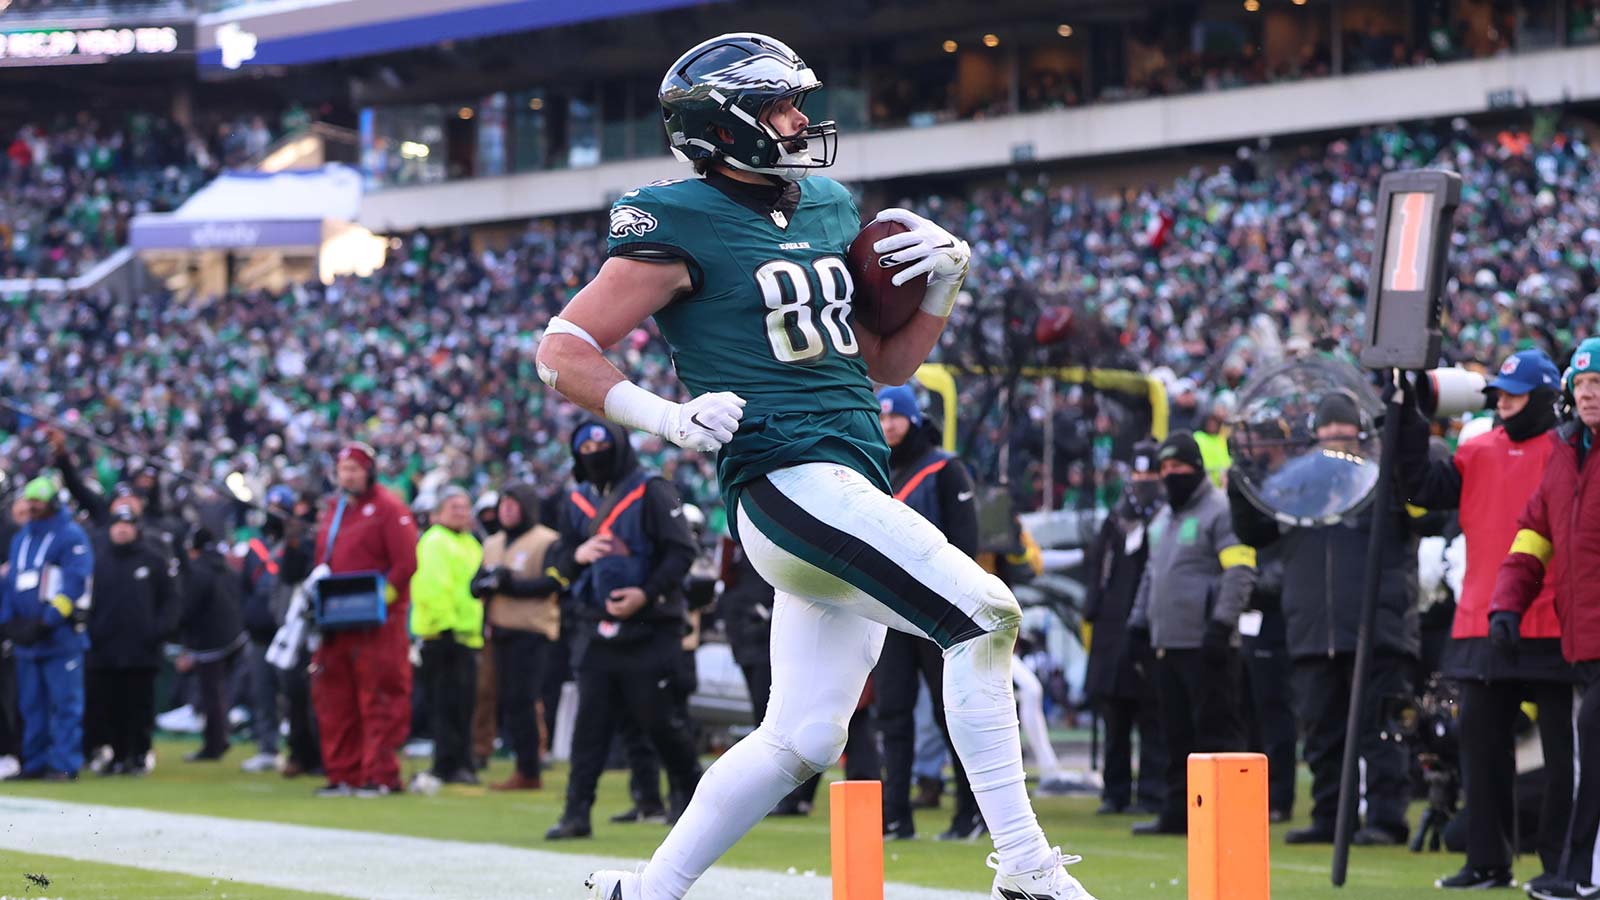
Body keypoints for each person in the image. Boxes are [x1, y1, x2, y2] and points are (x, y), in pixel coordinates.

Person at [536, 32, 1095, 900]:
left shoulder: (830, 206)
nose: (799, 119)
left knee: (801, 737)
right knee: (984, 617)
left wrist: (943, 286)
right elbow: (563, 349)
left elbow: (884, 365)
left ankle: (646, 892)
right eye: (777, 107)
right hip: (786, 479)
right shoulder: (674, 216)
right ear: (722, 127)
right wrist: (667, 416)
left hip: (844, 480)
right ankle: (1025, 868)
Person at [1229, 392, 1445, 847]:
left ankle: (1386, 819)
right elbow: (1256, 530)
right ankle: (1330, 817)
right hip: (1313, 628)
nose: (1334, 445)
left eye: (1343, 435)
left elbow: (1431, 515)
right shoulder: (1299, 487)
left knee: (1382, 729)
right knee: (1323, 734)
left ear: (1361, 436)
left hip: (1377, 628)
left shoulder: (1387, 479)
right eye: (1326, 436)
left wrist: (1406, 448)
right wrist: (1240, 485)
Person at [1395, 349, 1575, 891]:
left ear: (1544, 398)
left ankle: (1561, 865)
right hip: (1480, 622)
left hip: (1554, 624)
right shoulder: (1477, 450)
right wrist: (1407, 413)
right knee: (1480, 747)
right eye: (1498, 393)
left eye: (1514, 394)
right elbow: (1419, 488)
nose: (1502, 402)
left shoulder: (1569, 452)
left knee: (1564, 757)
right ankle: (1487, 860)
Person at [544, 420, 701, 840]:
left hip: (652, 627)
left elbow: (681, 551)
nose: (594, 451)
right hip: (596, 627)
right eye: (585, 444)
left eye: (601, 442)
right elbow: (559, 559)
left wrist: (644, 594)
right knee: (589, 726)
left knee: (660, 720)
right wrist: (576, 554)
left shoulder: (651, 489)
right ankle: (576, 813)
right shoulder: (575, 499)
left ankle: (691, 798)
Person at [1492, 338, 1600, 900]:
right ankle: (1578, 874)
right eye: (1581, 385)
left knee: (1592, 753)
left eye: (1598, 384)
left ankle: (1580, 876)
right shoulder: (1563, 457)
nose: (1589, 395)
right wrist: (1506, 602)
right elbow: (1532, 540)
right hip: (1581, 640)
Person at [1127, 432, 1256, 836]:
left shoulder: (1220, 511)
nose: (1170, 474)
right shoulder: (1164, 518)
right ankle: (1178, 813)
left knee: (1217, 733)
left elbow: (1239, 570)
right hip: (1168, 644)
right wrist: (1137, 623)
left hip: (1206, 645)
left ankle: (1228, 816)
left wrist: (1221, 623)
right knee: (1175, 735)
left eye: (1177, 467)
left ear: (1197, 467)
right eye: (1164, 468)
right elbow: (1152, 576)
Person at [871, 383, 982, 840]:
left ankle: (969, 814)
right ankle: (895, 816)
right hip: (891, 613)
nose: (889, 424)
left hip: (939, 616)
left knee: (950, 714)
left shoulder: (945, 468)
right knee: (893, 715)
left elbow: (966, 543)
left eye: (896, 415)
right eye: (882, 416)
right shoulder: (874, 472)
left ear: (913, 418)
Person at [310, 441, 419, 797]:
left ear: (369, 471)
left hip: (377, 623)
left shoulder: (389, 508)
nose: (349, 475)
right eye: (344, 469)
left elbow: (405, 564)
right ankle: (344, 773)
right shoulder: (335, 509)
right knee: (335, 697)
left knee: (381, 697)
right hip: (337, 620)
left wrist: (377, 602)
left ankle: (380, 775)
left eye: (355, 469)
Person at [1082, 439, 1167, 817]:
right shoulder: (1115, 520)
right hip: (1111, 632)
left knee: (1152, 715)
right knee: (1114, 717)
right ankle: (1114, 791)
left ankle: (1151, 791)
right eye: (1139, 473)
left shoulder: (1167, 518)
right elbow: (1098, 574)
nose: (1143, 481)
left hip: (1148, 628)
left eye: (1151, 474)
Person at [0, 476, 93, 780]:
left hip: (59, 636)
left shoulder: (71, 536)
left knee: (65, 703)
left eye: (39, 501)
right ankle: (35, 761)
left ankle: (64, 763)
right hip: (27, 637)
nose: (33, 506)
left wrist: (48, 620)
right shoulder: (21, 538)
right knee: (31, 705)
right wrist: (9, 620)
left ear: (54, 501)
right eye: (30, 501)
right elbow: (12, 582)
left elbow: (75, 582)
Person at [473, 482, 563, 791]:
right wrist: (486, 584)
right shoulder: (493, 543)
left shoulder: (547, 540)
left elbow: (553, 584)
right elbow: (476, 584)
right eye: (503, 505)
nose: (507, 511)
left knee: (524, 701)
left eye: (513, 505)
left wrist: (509, 584)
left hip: (533, 631)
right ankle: (524, 766)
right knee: (509, 703)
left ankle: (530, 769)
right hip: (501, 630)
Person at [84, 496, 179, 775]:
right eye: (117, 524)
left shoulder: (153, 559)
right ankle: (116, 754)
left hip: (141, 650)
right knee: (109, 705)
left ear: (136, 528)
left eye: (127, 524)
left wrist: (157, 631)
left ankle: (139, 754)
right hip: (105, 649)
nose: (121, 529)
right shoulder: (98, 560)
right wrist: (93, 631)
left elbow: (171, 600)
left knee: (139, 706)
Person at [410, 487, 484, 786]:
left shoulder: (471, 543)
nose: (461, 513)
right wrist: (445, 625)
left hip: (467, 634)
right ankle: (447, 762)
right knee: (443, 703)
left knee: (463, 703)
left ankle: (461, 760)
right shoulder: (434, 541)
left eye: (465, 507)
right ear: (438, 512)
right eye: (454, 507)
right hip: (442, 634)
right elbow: (434, 587)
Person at [176, 528, 247, 762]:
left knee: (211, 694)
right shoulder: (227, 566)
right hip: (234, 636)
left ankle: (214, 744)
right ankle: (219, 738)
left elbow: (188, 608)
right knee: (217, 693)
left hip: (208, 640)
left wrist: (185, 643)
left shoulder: (198, 570)